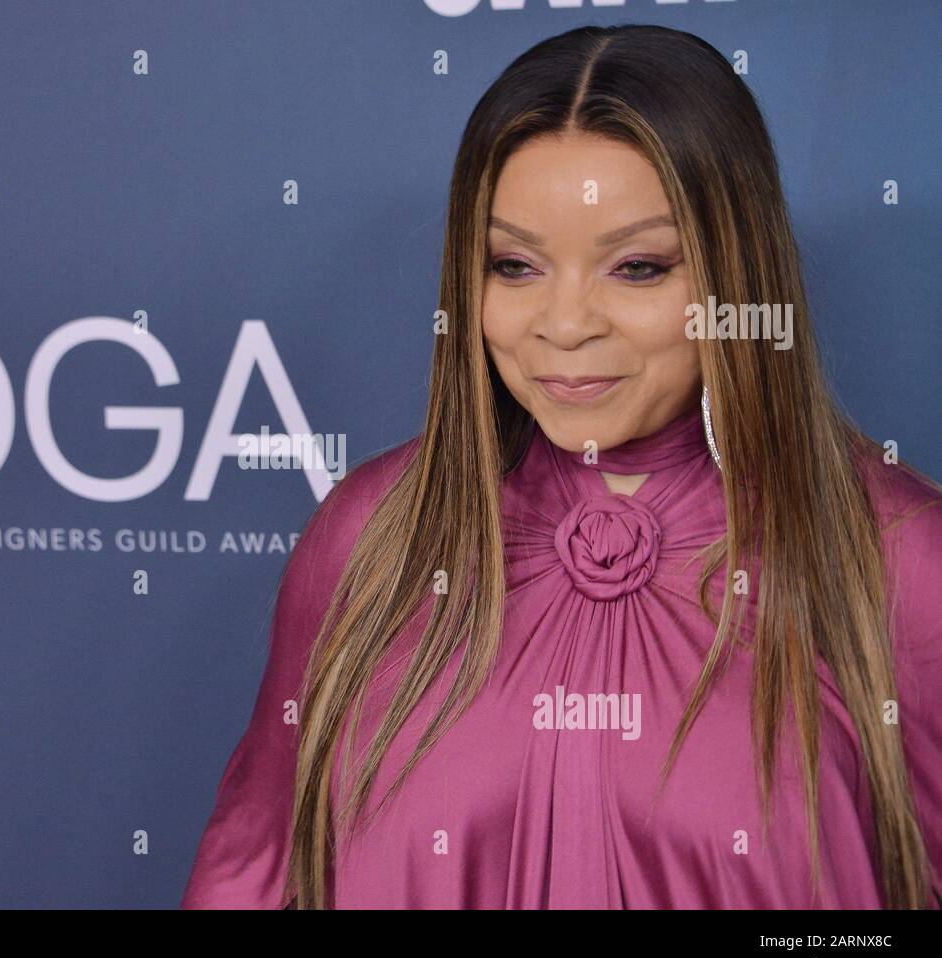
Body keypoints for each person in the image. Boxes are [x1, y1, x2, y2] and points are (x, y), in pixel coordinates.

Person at [181, 23, 941, 909]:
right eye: (515, 265)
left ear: (734, 278)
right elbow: (255, 870)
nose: (566, 322)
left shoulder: (899, 560)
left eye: (636, 267)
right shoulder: (371, 537)